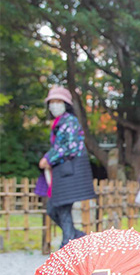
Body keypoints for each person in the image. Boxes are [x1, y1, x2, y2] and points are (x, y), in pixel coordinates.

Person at [38, 86, 97, 249]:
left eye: (58, 101)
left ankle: (67, 244)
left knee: (61, 207)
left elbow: (69, 147)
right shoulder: (58, 122)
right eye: (52, 102)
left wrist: (48, 158)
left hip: (70, 172)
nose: (54, 105)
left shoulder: (70, 121)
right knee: (54, 208)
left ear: (66, 104)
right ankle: (76, 237)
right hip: (62, 172)